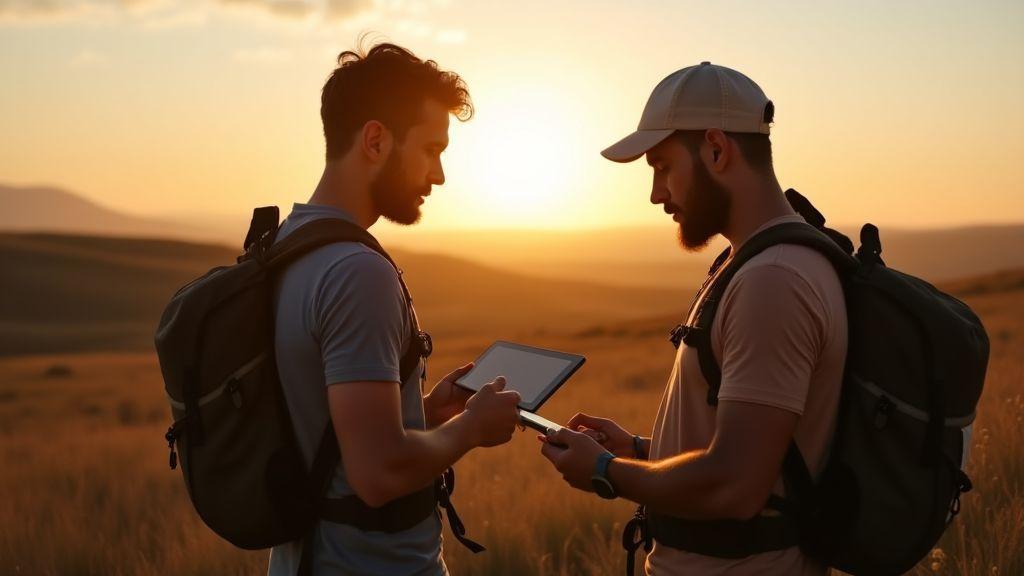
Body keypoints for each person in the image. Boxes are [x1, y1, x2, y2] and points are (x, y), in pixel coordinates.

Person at [539, 62, 848, 575]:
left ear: (716, 150)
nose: (656, 194)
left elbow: (736, 485)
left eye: (662, 166)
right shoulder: (754, 263)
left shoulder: (774, 280)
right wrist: (639, 449)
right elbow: (748, 450)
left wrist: (604, 471)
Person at [267, 42, 522, 576]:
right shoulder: (355, 272)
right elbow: (377, 473)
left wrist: (424, 412)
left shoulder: (285, 246)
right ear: (376, 140)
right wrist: (472, 428)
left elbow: (331, 440)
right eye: (431, 149)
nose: (440, 175)